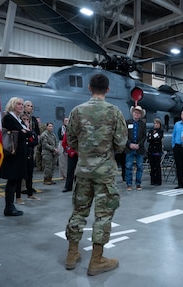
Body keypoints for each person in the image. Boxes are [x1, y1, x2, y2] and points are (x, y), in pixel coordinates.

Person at [64, 73, 127, 275]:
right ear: (107, 89)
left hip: (82, 171)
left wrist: (85, 150)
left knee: (79, 211)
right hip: (105, 172)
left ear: (89, 88)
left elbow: (70, 141)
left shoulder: (77, 111)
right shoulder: (114, 112)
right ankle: (97, 259)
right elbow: (120, 144)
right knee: (103, 214)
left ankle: (72, 254)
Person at [0, 97, 31, 216]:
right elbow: (24, 134)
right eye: (18, 104)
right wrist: (25, 131)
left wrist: (25, 132)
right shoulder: (9, 117)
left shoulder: (17, 119)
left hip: (18, 154)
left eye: (22, 104)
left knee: (15, 180)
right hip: (12, 154)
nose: (21, 106)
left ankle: (10, 205)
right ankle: (9, 207)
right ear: (12, 105)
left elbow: (28, 133)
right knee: (12, 181)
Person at [124, 105, 147, 191]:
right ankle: (129, 184)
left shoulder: (143, 124)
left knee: (140, 166)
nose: (136, 114)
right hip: (129, 148)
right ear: (132, 113)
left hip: (139, 148)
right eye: (135, 112)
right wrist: (129, 144)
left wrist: (138, 145)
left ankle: (138, 184)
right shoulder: (127, 122)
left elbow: (144, 136)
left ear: (140, 115)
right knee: (128, 166)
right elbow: (124, 135)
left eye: (138, 113)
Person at [20, 112, 40, 201]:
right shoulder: (19, 129)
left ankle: (30, 194)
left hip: (29, 154)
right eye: (24, 119)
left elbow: (35, 141)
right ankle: (18, 197)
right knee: (20, 176)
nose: (26, 121)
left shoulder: (30, 130)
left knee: (30, 175)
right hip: (21, 155)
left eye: (27, 119)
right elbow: (22, 140)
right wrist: (28, 142)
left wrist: (28, 142)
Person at [147, 118, 164, 186]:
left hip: (157, 151)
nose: (156, 125)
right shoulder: (150, 131)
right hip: (151, 151)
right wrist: (153, 139)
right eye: (155, 123)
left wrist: (153, 139)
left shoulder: (161, 131)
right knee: (152, 166)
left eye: (157, 123)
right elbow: (148, 139)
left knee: (157, 166)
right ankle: (153, 180)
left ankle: (158, 181)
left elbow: (158, 139)